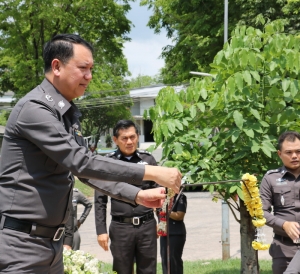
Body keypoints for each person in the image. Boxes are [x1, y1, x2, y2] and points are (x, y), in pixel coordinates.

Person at [0, 34, 182, 273]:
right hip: (21, 245)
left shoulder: (64, 115)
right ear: (57, 66)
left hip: (50, 247)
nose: (89, 76)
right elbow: (82, 162)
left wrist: (138, 195)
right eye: (83, 69)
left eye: (91, 69)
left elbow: (90, 174)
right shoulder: (34, 110)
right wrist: (152, 172)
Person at [95, 119, 159, 274]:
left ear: (138, 136)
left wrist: (161, 222)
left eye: (132, 137)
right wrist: (101, 230)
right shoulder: (108, 163)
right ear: (115, 140)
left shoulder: (148, 160)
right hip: (120, 228)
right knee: (122, 270)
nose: (129, 141)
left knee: (148, 270)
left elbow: (159, 193)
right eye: (124, 138)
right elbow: (100, 200)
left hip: (147, 225)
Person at [260, 131, 300, 274]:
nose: (294, 156)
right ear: (279, 154)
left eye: (298, 151)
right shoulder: (270, 178)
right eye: (289, 152)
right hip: (283, 248)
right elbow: (261, 213)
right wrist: (284, 224)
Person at [158, 193, 187, 274]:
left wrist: (165, 211)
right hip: (164, 232)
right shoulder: (161, 198)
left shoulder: (180, 197)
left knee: (174, 260)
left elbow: (179, 216)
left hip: (176, 233)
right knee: (165, 260)